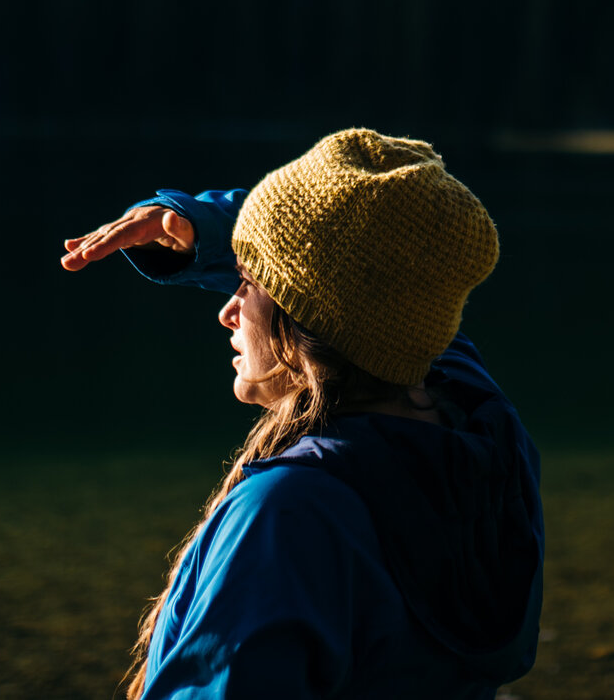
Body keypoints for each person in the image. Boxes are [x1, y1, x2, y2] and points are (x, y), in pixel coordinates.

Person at [59, 128, 544, 700]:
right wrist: (207, 229)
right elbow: (380, 273)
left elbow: (358, 268)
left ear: (308, 323)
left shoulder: (285, 516)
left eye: (247, 282)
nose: (228, 310)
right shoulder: (486, 435)